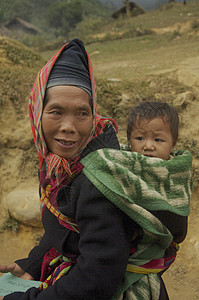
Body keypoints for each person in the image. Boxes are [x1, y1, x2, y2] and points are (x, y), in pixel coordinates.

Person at [0, 38, 137, 299]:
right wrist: (31, 265)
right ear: (37, 112)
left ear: (94, 113)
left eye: (82, 113)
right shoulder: (60, 165)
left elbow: (97, 279)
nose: (69, 126)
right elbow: (66, 229)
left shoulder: (102, 179)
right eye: (56, 112)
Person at [80, 101, 192, 299]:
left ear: (173, 143)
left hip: (148, 265)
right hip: (114, 261)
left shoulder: (176, 174)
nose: (148, 146)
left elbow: (178, 229)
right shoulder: (119, 165)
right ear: (129, 139)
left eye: (158, 140)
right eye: (139, 138)